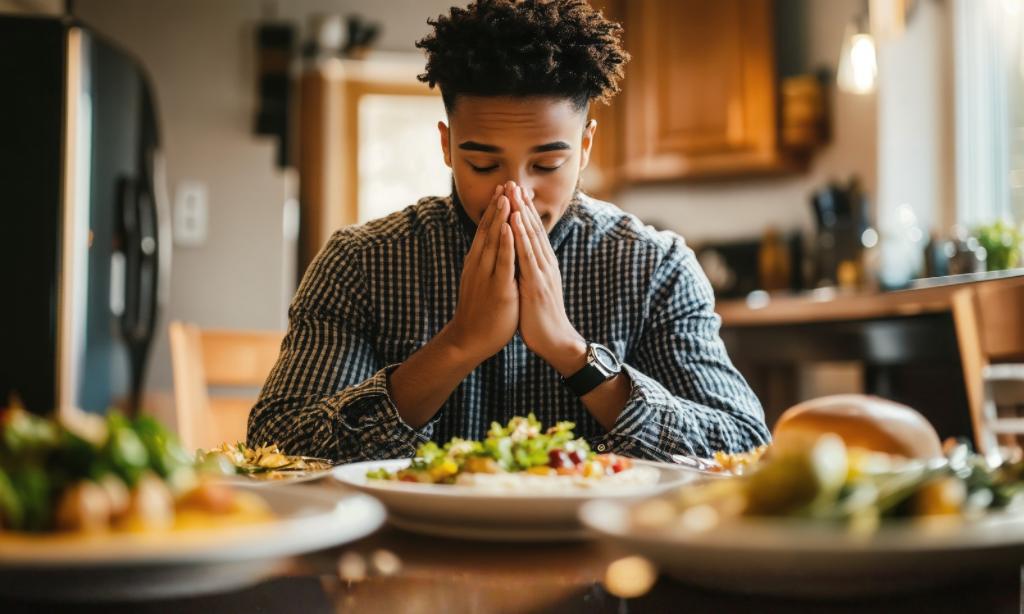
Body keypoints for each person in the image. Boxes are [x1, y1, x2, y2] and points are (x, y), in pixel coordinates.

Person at [247, 0, 770, 462]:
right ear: (447, 146)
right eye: (482, 165)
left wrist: (572, 353)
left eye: (546, 165)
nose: (514, 194)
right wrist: (456, 346)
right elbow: (277, 446)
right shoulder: (359, 262)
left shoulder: (654, 268)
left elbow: (744, 447)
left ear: (585, 147)